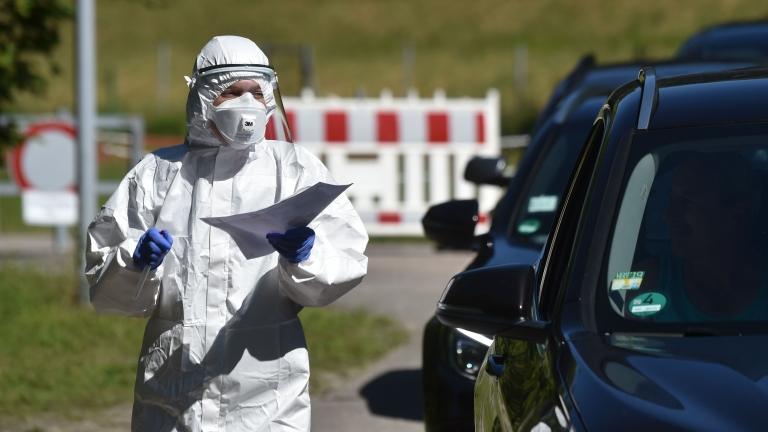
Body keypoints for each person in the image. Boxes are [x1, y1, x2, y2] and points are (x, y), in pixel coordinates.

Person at [84, 35, 369, 431]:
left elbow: (346, 262)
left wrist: (308, 255)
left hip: (267, 391)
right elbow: (106, 289)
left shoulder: (293, 170)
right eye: (231, 92)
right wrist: (134, 261)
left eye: (255, 92)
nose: (246, 104)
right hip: (171, 391)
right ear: (203, 98)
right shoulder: (157, 175)